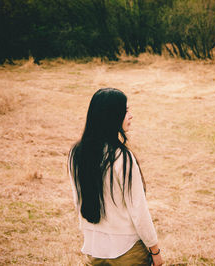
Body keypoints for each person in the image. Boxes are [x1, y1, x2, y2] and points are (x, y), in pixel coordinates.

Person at [68, 88, 164, 265]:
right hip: (128, 251)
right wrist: (155, 250)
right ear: (112, 116)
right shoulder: (123, 158)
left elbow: (78, 200)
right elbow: (139, 210)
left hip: (94, 250)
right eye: (126, 111)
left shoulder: (77, 153)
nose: (131, 115)